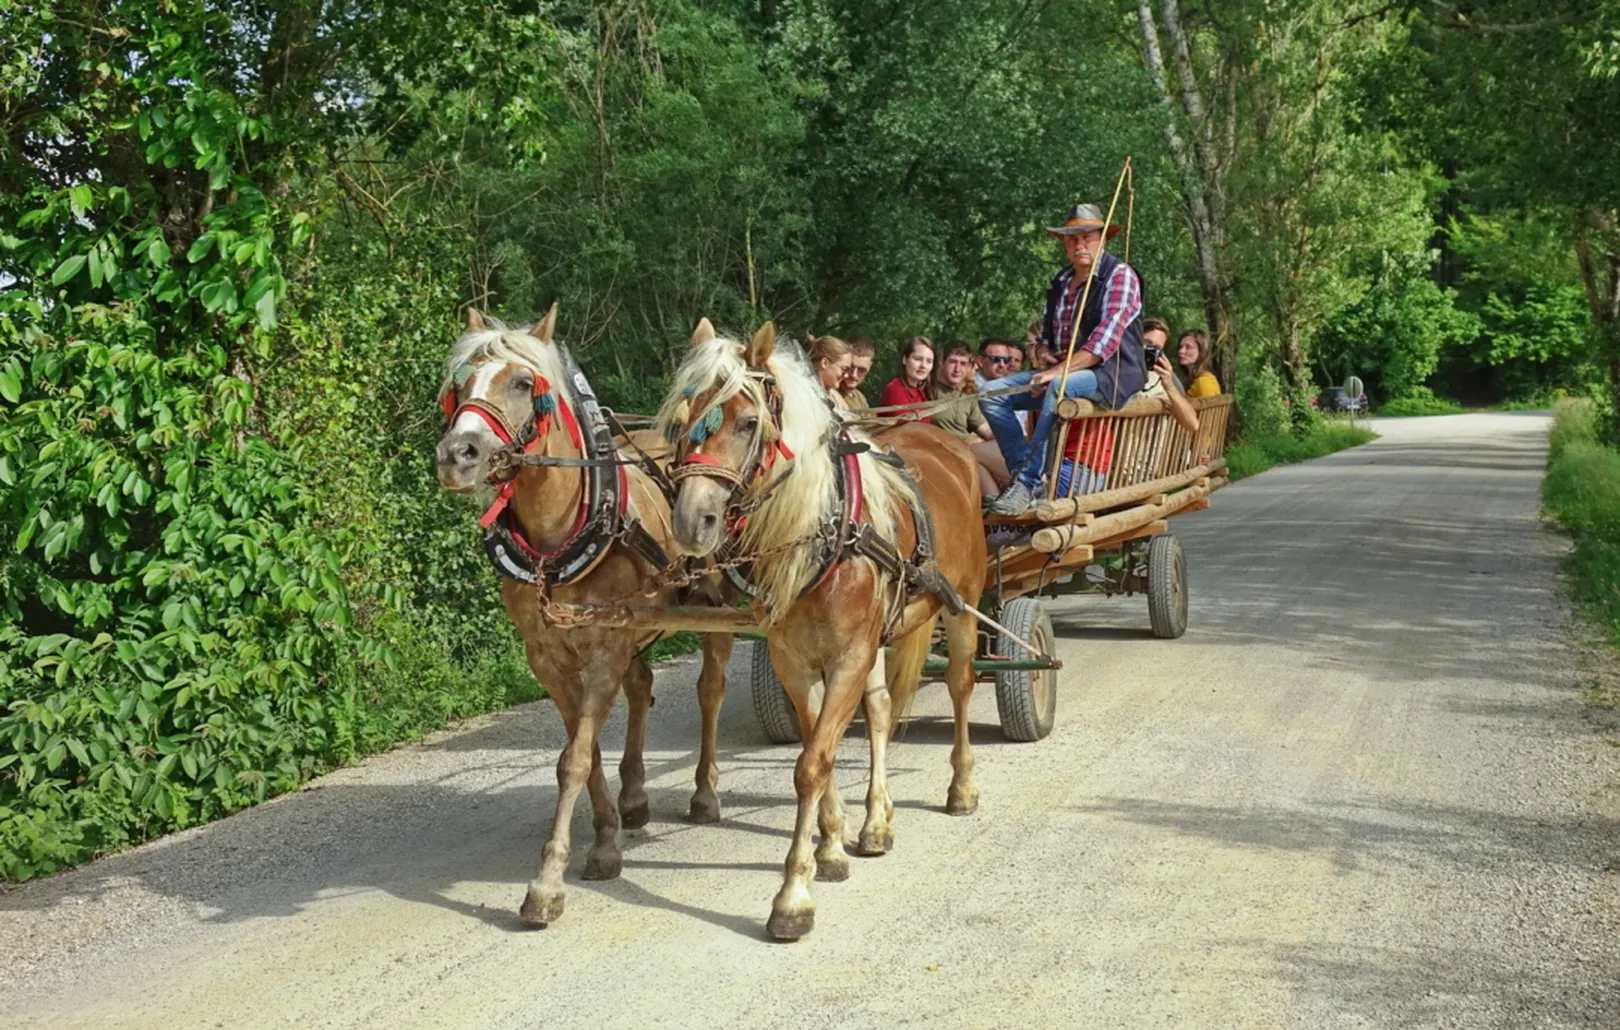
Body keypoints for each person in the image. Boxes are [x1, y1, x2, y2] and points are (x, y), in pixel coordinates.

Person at [983, 202, 1148, 514]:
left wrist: (1054, 373)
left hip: (1110, 376)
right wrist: (1044, 355)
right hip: (1066, 372)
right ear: (1064, 243)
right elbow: (1046, 339)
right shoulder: (1061, 281)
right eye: (1072, 239)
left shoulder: (1120, 275)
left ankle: (1028, 481)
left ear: (1103, 239)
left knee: (1060, 386)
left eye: (1087, 237)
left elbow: (1102, 345)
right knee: (990, 393)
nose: (1079, 244)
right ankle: (1024, 476)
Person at [1053, 348, 1201, 498]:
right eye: (1145, 346)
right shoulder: (1114, 374)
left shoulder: (1160, 383)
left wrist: (1168, 384)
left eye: (1156, 349)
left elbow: (1192, 424)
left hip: (1132, 475)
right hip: (1108, 471)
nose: (1148, 354)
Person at [931, 341, 1011, 496]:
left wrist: (1007, 438)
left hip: (970, 450)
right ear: (942, 362)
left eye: (963, 364)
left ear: (969, 366)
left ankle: (999, 503)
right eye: (952, 362)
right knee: (975, 452)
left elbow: (986, 429)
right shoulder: (930, 389)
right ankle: (1027, 483)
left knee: (1007, 445)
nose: (957, 369)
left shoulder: (966, 396)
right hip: (949, 449)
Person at [877, 336, 936, 422]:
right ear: (904, 359)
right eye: (918, 359)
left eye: (929, 361)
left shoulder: (920, 393)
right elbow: (905, 427)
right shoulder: (895, 389)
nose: (923, 365)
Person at [807, 334, 857, 410]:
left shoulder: (835, 397)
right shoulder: (804, 394)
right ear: (824, 363)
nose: (846, 375)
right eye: (844, 369)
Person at [1176, 329, 1221, 398]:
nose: (1181, 351)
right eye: (1180, 347)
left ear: (1202, 351)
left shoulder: (1205, 381)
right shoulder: (1192, 380)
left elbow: (1211, 404)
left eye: (1188, 347)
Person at [840, 336, 876, 409]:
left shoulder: (861, 398)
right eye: (849, 367)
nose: (854, 375)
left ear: (869, 367)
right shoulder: (832, 395)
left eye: (861, 370)